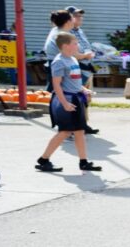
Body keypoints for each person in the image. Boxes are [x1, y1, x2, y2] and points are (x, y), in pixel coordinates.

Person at [36, 32, 100, 173]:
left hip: (76, 98)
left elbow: (74, 81)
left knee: (79, 132)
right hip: (66, 100)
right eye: (75, 43)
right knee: (65, 132)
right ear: (65, 46)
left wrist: (83, 90)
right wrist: (64, 103)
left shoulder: (72, 59)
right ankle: (44, 159)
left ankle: (83, 162)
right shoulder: (59, 61)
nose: (78, 45)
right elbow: (56, 85)